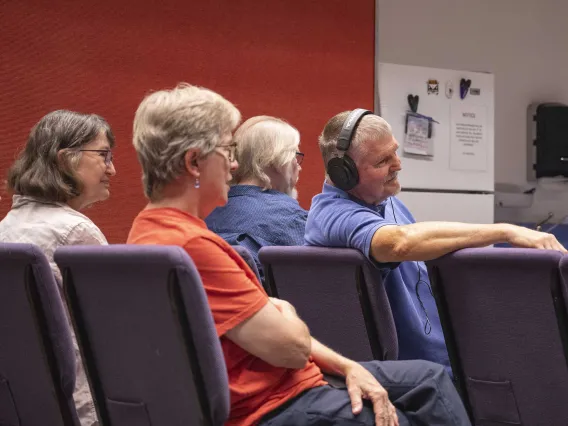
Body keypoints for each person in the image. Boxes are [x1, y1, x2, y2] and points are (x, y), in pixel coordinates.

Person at [127, 84, 471, 426]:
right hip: (276, 401)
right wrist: (285, 310)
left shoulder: (145, 233)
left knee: (429, 379)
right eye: (226, 151)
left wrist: (349, 366)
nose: (233, 166)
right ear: (193, 163)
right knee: (419, 404)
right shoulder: (195, 249)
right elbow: (290, 349)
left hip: (279, 384)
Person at [305, 109, 567, 373]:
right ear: (344, 174)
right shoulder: (332, 215)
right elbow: (398, 244)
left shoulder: (388, 203)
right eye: (383, 160)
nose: (398, 164)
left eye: (395, 151)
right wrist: (506, 232)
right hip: (414, 374)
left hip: (448, 354)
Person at [0, 110, 117, 426]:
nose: (113, 169)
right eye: (103, 156)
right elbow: (114, 336)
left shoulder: (6, 227)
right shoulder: (76, 232)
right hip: (83, 409)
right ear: (66, 159)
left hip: (23, 405)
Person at [206, 116, 306, 282]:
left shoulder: (206, 213)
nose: (299, 166)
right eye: (295, 155)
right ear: (277, 160)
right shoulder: (292, 219)